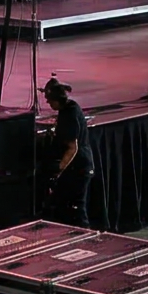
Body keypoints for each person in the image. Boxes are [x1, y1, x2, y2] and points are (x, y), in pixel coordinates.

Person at [39, 75, 93, 227]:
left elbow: (72, 147)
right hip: (76, 167)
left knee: (77, 208)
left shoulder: (69, 115)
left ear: (57, 99)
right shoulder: (68, 110)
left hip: (79, 168)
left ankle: (86, 237)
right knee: (66, 206)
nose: (48, 103)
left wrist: (58, 170)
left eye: (49, 100)